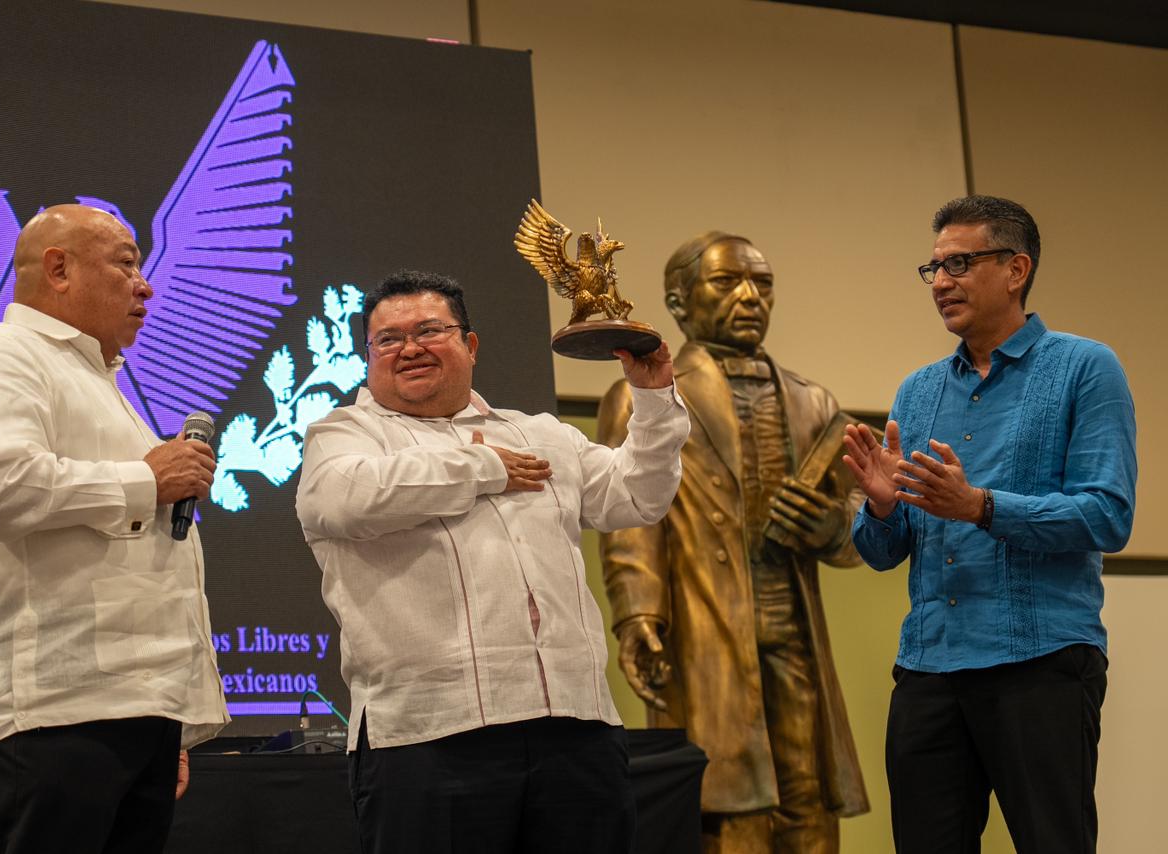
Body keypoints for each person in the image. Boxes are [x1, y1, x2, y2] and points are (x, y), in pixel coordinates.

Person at [295, 270, 689, 854]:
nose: (409, 348)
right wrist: (483, 468)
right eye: (388, 339)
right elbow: (340, 500)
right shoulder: (344, 434)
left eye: (430, 330)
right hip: (429, 736)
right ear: (368, 356)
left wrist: (654, 399)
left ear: (471, 345)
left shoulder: (541, 434)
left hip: (575, 726)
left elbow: (637, 496)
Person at [0, 204, 230, 854]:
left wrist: (164, 713)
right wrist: (146, 479)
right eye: (126, 264)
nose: (145, 286)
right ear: (59, 269)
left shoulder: (97, 381)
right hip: (48, 714)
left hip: (128, 711)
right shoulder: (1, 356)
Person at [842, 195, 1137, 853]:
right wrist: (883, 506)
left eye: (960, 264)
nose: (940, 282)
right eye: (934, 268)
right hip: (929, 666)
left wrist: (982, 506)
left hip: (1041, 662)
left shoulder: (1085, 368)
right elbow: (885, 552)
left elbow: (1108, 515)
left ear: (1015, 269)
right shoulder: (917, 391)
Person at [598, 233, 868, 853]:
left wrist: (832, 524)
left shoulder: (812, 401)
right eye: (727, 283)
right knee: (723, 801)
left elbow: (860, 510)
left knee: (807, 794)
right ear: (679, 301)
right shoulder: (645, 397)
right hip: (706, 626)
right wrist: (638, 615)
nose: (749, 296)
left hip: (794, 630)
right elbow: (631, 519)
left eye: (762, 284)